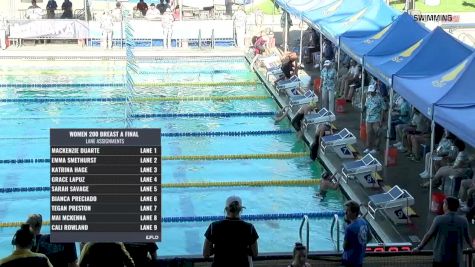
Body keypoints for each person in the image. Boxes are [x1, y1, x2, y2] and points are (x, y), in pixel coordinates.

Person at [413, 196, 474, 267]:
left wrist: (419, 247)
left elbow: (429, 235)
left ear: (447, 206)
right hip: (456, 258)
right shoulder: (463, 221)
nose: (443, 205)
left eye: (444, 203)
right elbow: (467, 237)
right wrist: (472, 247)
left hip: (440, 257)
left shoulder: (439, 219)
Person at [203, 195, 259, 267]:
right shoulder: (249, 228)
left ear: (226, 209)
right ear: (241, 210)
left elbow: (206, 254)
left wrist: (218, 249)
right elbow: (255, 253)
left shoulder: (213, 227)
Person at [342, 200, 371, 267]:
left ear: (354, 213)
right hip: (360, 258)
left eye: (348, 211)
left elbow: (345, 246)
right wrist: (360, 245)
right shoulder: (363, 222)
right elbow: (369, 238)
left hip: (349, 260)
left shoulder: (350, 228)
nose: (346, 212)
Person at [363, 84, 385, 154]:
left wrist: (381, 120)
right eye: (370, 91)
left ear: (375, 91)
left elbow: (383, 109)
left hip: (376, 118)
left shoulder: (379, 98)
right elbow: (366, 106)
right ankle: (368, 147)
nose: (371, 93)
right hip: (368, 118)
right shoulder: (368, 97)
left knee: (377, 133)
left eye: (372, 91)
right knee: (369, 133)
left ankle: (376, 148)